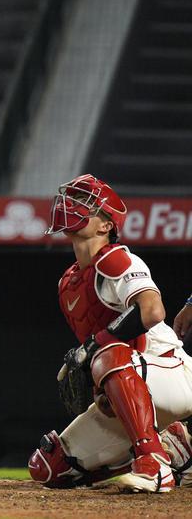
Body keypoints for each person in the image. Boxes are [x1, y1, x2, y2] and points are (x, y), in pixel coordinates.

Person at [28, 174, 192, 493]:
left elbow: (152, 311)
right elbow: (102, 351)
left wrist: (97, 348)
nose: (72, 205)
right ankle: (176, 449)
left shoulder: (116, 258)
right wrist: (103, 390)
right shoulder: (69, 283)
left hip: (173, 373)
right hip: (135, 380)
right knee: (49, 468)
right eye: (74, 199)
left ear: (106, 225)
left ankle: (155, 464)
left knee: (106, 354)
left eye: (85, 203)